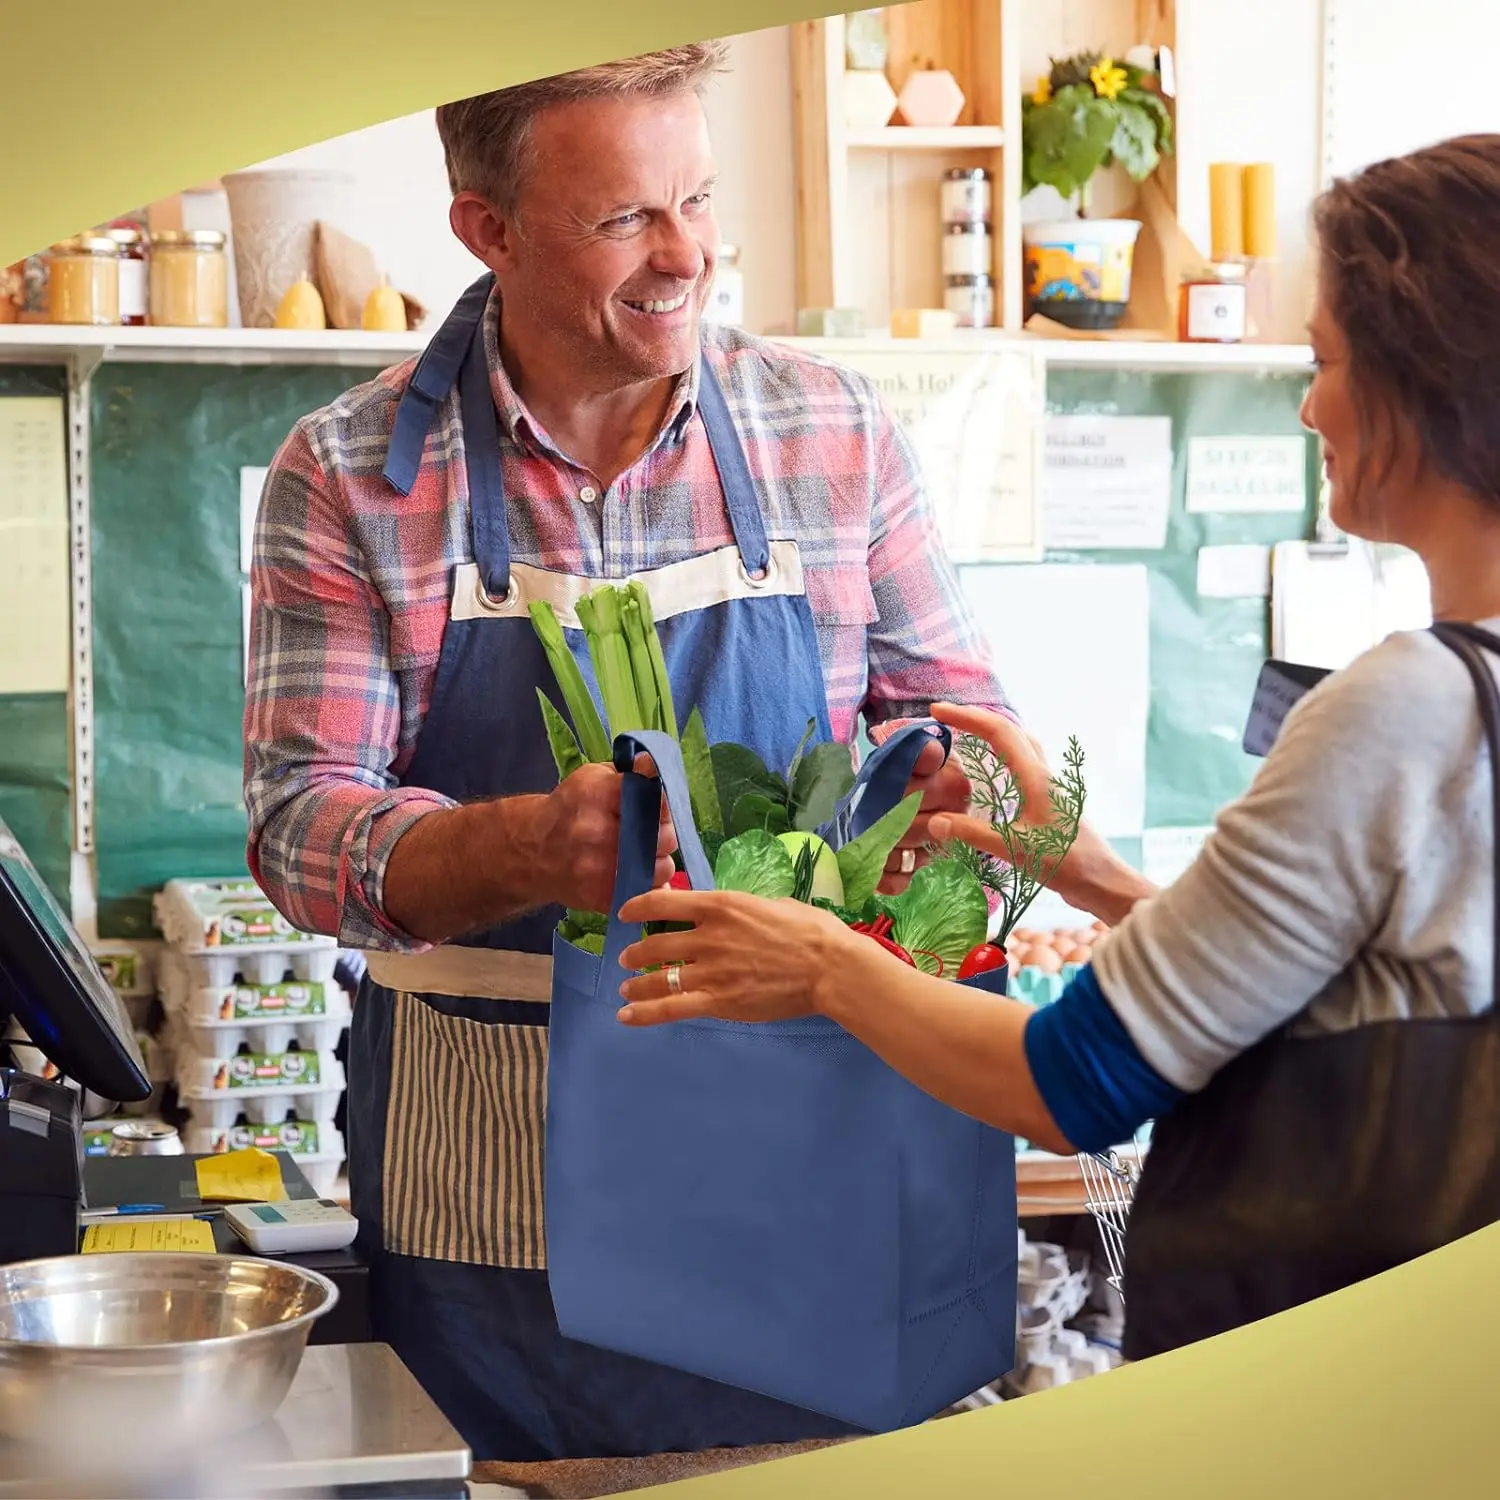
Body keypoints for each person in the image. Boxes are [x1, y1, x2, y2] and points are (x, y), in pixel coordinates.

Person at [242, 43, 1014, 1461]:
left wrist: (956, 801)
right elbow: (299, 830)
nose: (687, 254)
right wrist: (526, 847)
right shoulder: (349, 475)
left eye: (698, 199)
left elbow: (972, 735)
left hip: (802, 1187)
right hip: (499, 1222)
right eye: (625, 219)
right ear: (486, 228)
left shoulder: (830, 432)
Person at [613, 133, 1500, 1356]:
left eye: (1326, 360)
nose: (1310, 405)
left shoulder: (1404, 708)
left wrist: (822, 967)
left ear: (1428, 378)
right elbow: (1336, 989)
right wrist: (1090, 876)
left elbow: (1072, 1084)